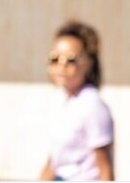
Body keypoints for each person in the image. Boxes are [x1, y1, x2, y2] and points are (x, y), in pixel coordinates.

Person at [41, 21, 115, 181]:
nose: (61, 66)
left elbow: (105, 168)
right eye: (55, 59)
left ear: (88, 63)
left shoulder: (92, 105)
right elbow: (55, 159)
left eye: (71, 60)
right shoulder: (61, 99)